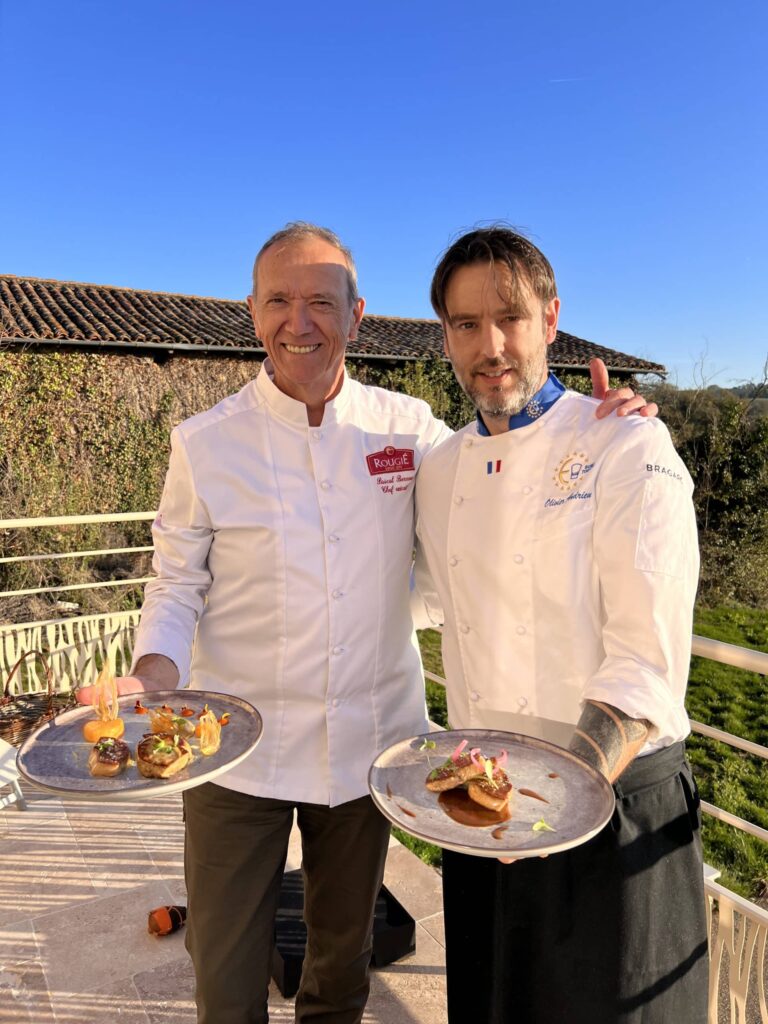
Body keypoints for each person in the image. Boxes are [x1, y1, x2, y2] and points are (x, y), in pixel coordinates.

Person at [77, 222, 653, 1024]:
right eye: (279, 300)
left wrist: (598, 424)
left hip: (366, 746)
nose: (298, 320)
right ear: (252, 312)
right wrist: (152, 676)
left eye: (321, 300)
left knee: (340, 967)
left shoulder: (410, 429)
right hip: (232, 750)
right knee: (225, 971)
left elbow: (502, 478)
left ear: (356, 315)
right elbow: (176, 586)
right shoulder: (204, 445)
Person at [414, 226, 707, 1024]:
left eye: (509, 315)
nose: (491, 344)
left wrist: (562, 794)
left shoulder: (625, 440)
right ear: (445, 336)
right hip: (485, 810)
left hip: (611, 807)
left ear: (550, 319)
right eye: (466, 324)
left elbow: (646, 662)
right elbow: (413, 596)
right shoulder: (439, 471)